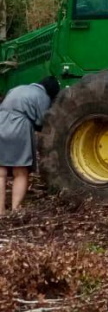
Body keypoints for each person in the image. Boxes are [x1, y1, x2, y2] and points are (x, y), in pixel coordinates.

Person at [0, 76, 59, 215]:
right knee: (20, 171)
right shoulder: (43, 96)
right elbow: (42, 122)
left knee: (1, 172)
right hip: (19, 126)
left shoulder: (17, 88)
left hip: (1, 122)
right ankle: (16, 209)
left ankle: (0, 211)